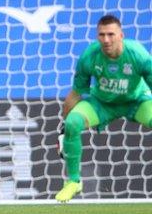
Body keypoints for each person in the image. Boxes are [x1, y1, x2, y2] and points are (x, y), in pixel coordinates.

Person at [55, 15, 152, 203]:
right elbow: (75, 95)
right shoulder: (89, 57)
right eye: (101, 35)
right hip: (102, 103)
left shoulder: (138, 55)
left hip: (136, 101)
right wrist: (63, 127)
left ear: (121, 35)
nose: (106, 40)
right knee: (74, 122)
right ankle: (74, 182)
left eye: (111, 34)